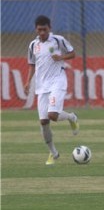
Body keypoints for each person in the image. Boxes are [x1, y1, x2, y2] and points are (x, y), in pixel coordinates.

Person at [24, 15, 79, 165]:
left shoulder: (58, 40)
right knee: (43, 122)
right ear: (36, 29)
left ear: (50, 28)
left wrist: (61, 57)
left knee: (52, 115)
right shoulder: (33, 45)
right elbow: (32, 64)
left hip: (58, 81)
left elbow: (73, 53)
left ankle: (71, 117)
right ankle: (53, 153)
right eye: (39, 29)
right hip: (41, 86)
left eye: (45, 29)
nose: (42, 32)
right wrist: (28, 81)